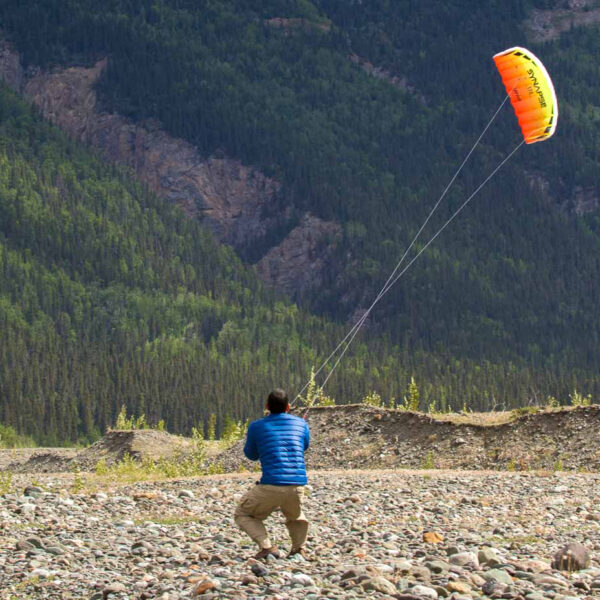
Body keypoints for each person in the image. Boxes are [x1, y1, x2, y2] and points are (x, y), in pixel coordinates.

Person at [234, 389, 310, 559]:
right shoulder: (301, 424)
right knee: (295, 516)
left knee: (243, 513)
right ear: (288, 407)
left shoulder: (256, 426)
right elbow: (304, 446)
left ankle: (267, 547)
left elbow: (251, 455)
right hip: (297, 485)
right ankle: (299, 549)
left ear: (267, 406)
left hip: (271, 484)